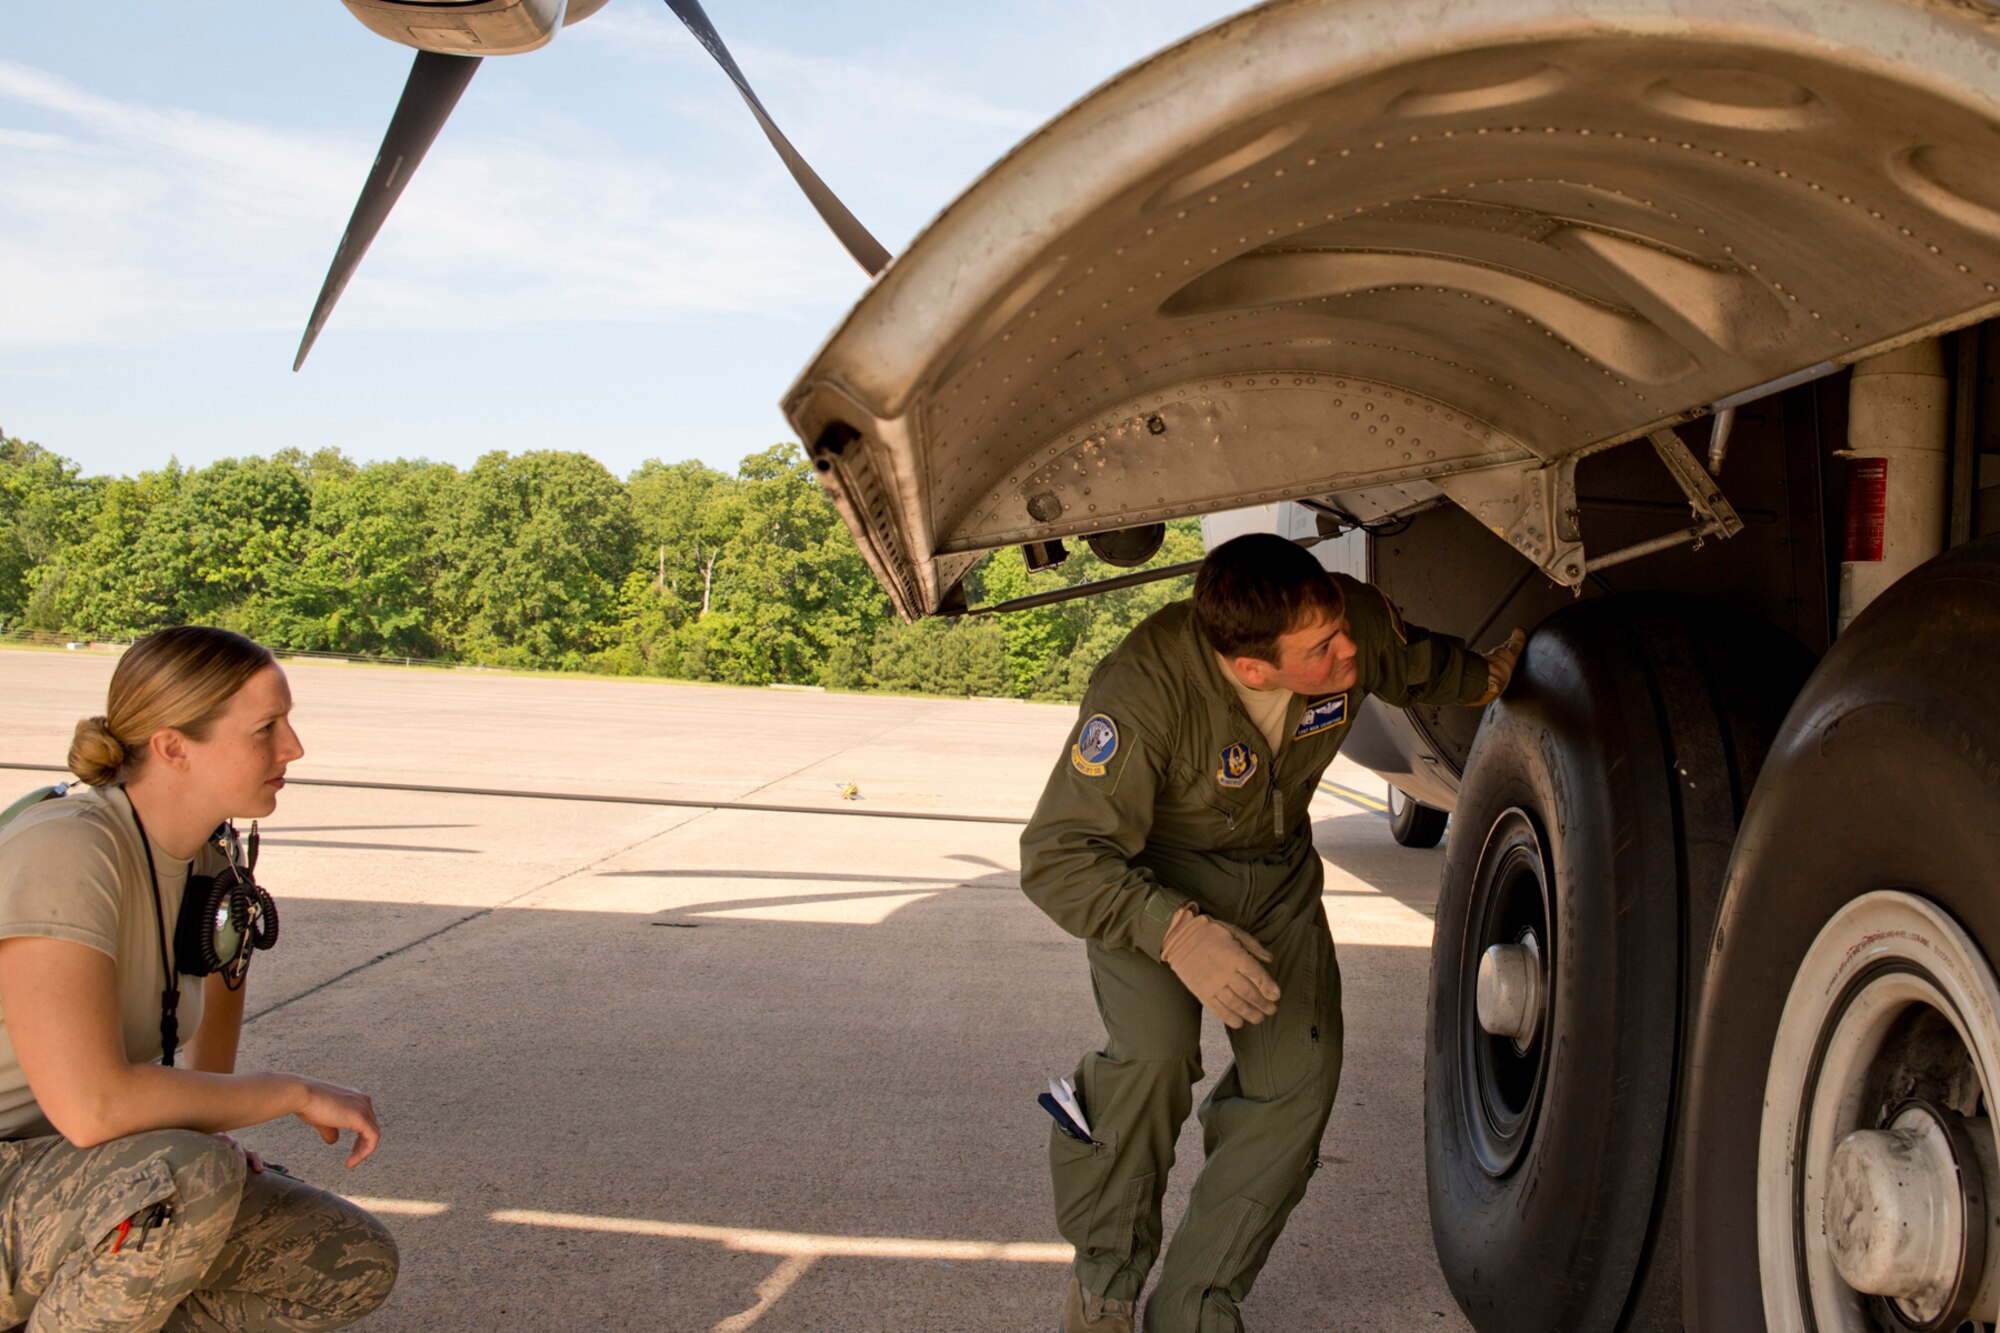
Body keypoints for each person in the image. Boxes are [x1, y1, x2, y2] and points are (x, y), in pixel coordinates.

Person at [1022, 533, 1525, 1333]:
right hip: (1153, 882)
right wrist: (1179, 935)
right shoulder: (1143, 689)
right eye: (1321, 648)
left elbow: (1413, 661)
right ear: (1253, 669)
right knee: (1151, 1062)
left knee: (1298, 1080)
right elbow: (1057, 857)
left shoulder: (1341, 624)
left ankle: (1196, 1303)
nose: (1346, 648)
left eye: (1341, 628)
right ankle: (1106, 1288)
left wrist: (1490, 675)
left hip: (1275, 878)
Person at [0, 626, 398, 1331]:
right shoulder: (68, 847)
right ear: (173, 745)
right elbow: (92, 1104)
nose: (293, 748)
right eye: (266, 728)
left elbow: (220, 993)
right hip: (21, 1169)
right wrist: (289, 1092)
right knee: (179, 1180)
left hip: (63, 1176)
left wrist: (211, 1124)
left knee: (343, 1256)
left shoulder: (210, 859)